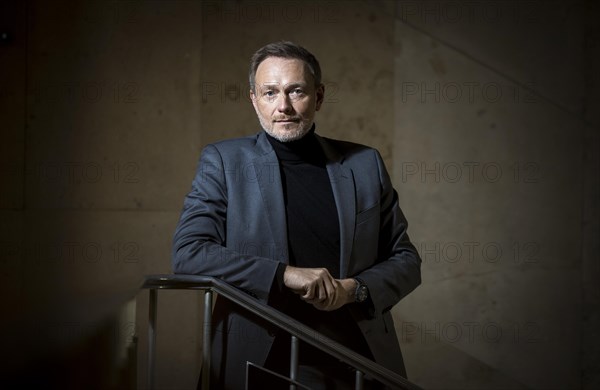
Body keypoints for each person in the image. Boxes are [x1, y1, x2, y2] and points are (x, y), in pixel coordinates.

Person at [172, 41, 421, 389]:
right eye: (270, 92)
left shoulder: (365, 164)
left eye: (296, 91)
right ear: (253, 99)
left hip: (359, 362)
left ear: (318, 97)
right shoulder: (225, 162)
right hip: (260, 363)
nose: (283, 106)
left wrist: (355, 290)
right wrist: (284, 275)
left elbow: (406, 259)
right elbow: (189, 254)